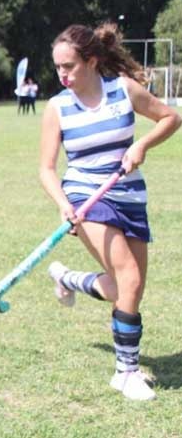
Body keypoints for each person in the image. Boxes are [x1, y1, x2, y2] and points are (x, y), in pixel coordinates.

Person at [40, 24, 180, 401]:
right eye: (58, 68)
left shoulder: (122, 90)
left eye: (69, 66)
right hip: (86, 197)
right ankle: (126, 372)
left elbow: (171, 117)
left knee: (127, 289)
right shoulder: (58, 107)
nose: (62, 75)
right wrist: (63, 205)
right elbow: (46, 169)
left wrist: (142, 145)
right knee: (129, 279)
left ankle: (69, 279)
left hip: (130, 195)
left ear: (92, 60)